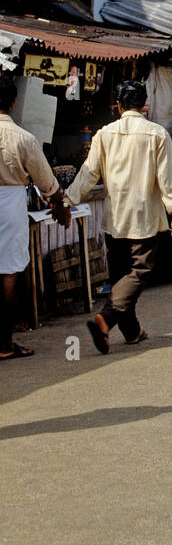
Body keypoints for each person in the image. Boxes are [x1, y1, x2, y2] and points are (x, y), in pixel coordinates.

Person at [66, 78, 172, 353]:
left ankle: (131, 331)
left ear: (117, 105)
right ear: (144, 105)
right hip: (145, 215)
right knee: (139, 272)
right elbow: (167, 179)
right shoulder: (157, 133)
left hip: (115, 216)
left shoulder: (104, 133)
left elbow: (88, 173)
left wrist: (67, 199)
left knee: (121, 276)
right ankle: (105, 320)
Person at [0, 76, 68, 359]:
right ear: (14, 103)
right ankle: (3, 344)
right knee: (9, 273)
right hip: (9, 204)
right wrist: (60, 205)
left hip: (11, 202)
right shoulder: (23, 138)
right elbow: (47, 182)